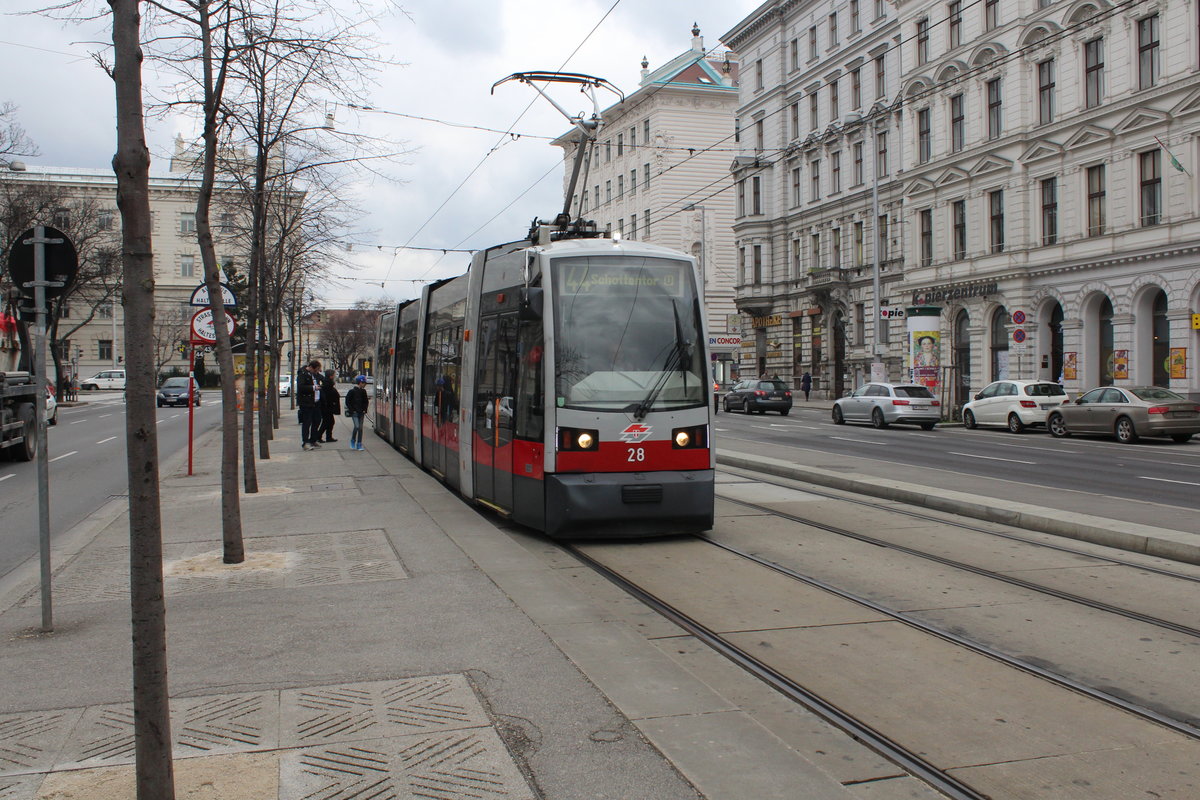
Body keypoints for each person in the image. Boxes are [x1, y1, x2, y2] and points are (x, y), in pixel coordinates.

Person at [296, 360, 323, 450]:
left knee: (317, 420)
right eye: (316, 370)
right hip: (306, 403)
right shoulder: (303, 374)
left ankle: (313, 439)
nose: (317, 372)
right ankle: (305, 442)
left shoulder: (313, 374)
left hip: (315, 402)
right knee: (307, 422)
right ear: (311, 367)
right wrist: (313, 388)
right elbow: (301, 387)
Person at [345, 375, 370, 450]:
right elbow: (347, 401)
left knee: (360, 428)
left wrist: (364, 409)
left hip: (361, 412)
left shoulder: (363, 391)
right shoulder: (352, 391)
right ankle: (353, 440)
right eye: (364, 383)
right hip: (355, 412)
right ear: (360, 383)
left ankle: (359, 443)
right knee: (357, 426)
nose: (365, 384)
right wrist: (352, 410)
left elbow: (366, 401)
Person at [318, 368, 340, 443]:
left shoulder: (328, 383)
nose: (335, 376)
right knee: (326, 422)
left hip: (328, 406)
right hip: (326, 406)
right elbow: (328, 395)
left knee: (330, 422)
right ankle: (319, 436)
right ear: (331, 376)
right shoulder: (327, 384)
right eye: (334, 375)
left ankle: (328, 437)